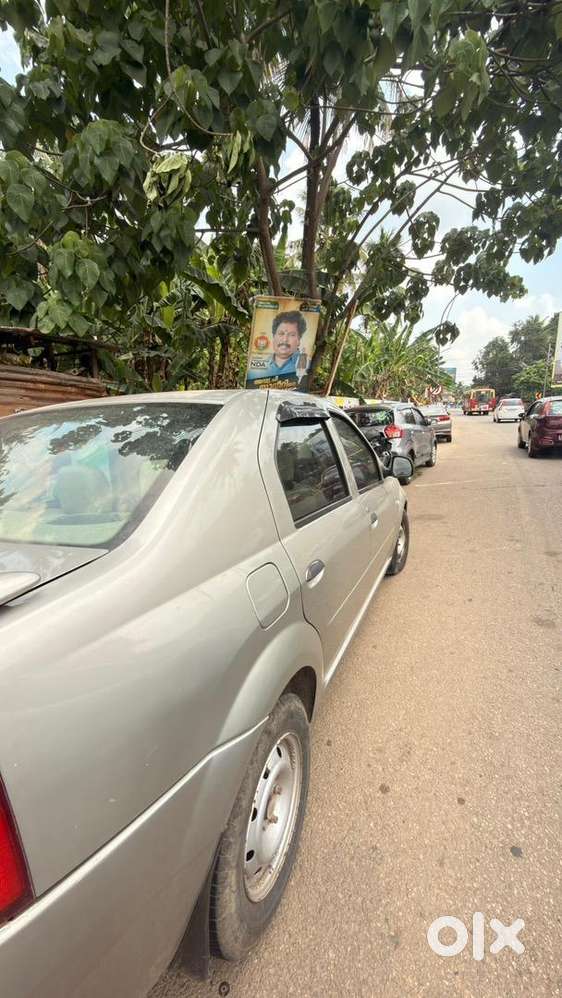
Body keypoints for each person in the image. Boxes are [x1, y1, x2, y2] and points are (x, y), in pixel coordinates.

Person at [247, 310, 308, 381]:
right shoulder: (256, 370)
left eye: (291, 335)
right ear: (273, 336)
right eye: (281, 334)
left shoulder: (307, 365)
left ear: (299, 340)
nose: (285, 340)